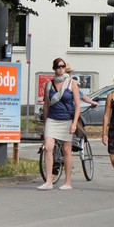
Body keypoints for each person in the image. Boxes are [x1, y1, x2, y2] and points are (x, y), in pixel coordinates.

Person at [39, 57, 81, 190]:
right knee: (48, 147)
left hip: (67, 119)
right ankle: (49, 181)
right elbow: (46, 105)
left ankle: (67, 182)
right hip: (52, 119)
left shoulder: (71, 83)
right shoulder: (49, 84)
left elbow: (78, 105)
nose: (60, 69)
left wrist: (74, 123)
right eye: (58, 67)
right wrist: (46, 123)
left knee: (67, 149)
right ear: (54, 69)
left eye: (62, 66)